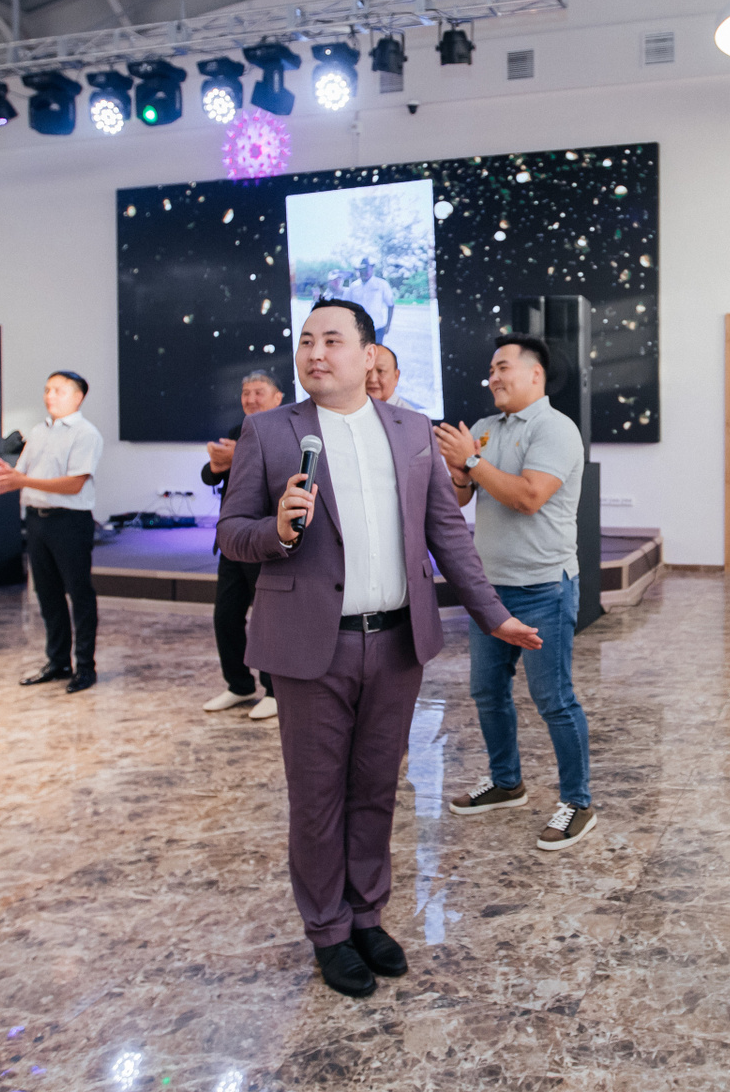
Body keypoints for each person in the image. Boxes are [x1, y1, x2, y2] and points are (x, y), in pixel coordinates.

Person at [217, 298, 543, 1000]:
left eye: (332, 340)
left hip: (395, 644)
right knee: (316, 799)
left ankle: (367, 915)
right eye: (307, 341)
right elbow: (232, 532)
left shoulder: (411, 430)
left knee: (375, 789)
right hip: (311, 648)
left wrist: (493, 615)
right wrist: (275, 530)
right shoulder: (270, 431)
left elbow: (447, 535)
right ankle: (328, 930)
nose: (315, 353)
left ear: (369, 355)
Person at [435, 334, 597, 851]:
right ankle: (507, 783)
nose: (493, 378)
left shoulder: (556, 429)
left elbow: (529, 497)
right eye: (491, 369)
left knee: (554, 699)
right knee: (487, 691)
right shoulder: (485, 428)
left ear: (535, 374)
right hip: (490, 591)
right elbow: (463, 496)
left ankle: (578, 802)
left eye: (503, 367)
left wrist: (472, 463)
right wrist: (461, 471)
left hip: (544, 587)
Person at [0, 371, 105, 694]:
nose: (50, 396)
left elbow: (74, 483)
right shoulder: (38, 431)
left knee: (79, 594)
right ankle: (58, 662)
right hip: (37, 521)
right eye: (48, 389)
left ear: (78, 397)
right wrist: (5, 476)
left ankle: (85, 667)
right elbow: (22, 473)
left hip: (69, 521)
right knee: (47, 595)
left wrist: (22, 481)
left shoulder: (86, 433)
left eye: (59, 390)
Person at [201, 369, 287, 720]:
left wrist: (237, 458)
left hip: (263, 536)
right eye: (246, 393)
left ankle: (275, 689)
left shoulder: (286, 429)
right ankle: (239, 684)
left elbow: (282, 472)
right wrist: (218, 463)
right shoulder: (240, 429)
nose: (251, 399)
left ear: (278, 397)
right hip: (231, 539)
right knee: (225, 615)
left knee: (267, 618)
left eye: (259, 392)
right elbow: (209, 474)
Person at [345, 258, 396, 345]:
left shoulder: (381, 284)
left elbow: (390, 305)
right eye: (361, 270)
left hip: (377, 328)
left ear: (372, 269)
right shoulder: (353, 286)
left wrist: (388, 325)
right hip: (358, 329)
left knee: (376, 351)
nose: (363, 272)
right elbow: (347, 307)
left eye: (366, 269)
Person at [364, 344, 420, 412]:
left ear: (396, 376)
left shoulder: (409, 416)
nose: (372, 379)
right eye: (367, 371)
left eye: (380, 371)